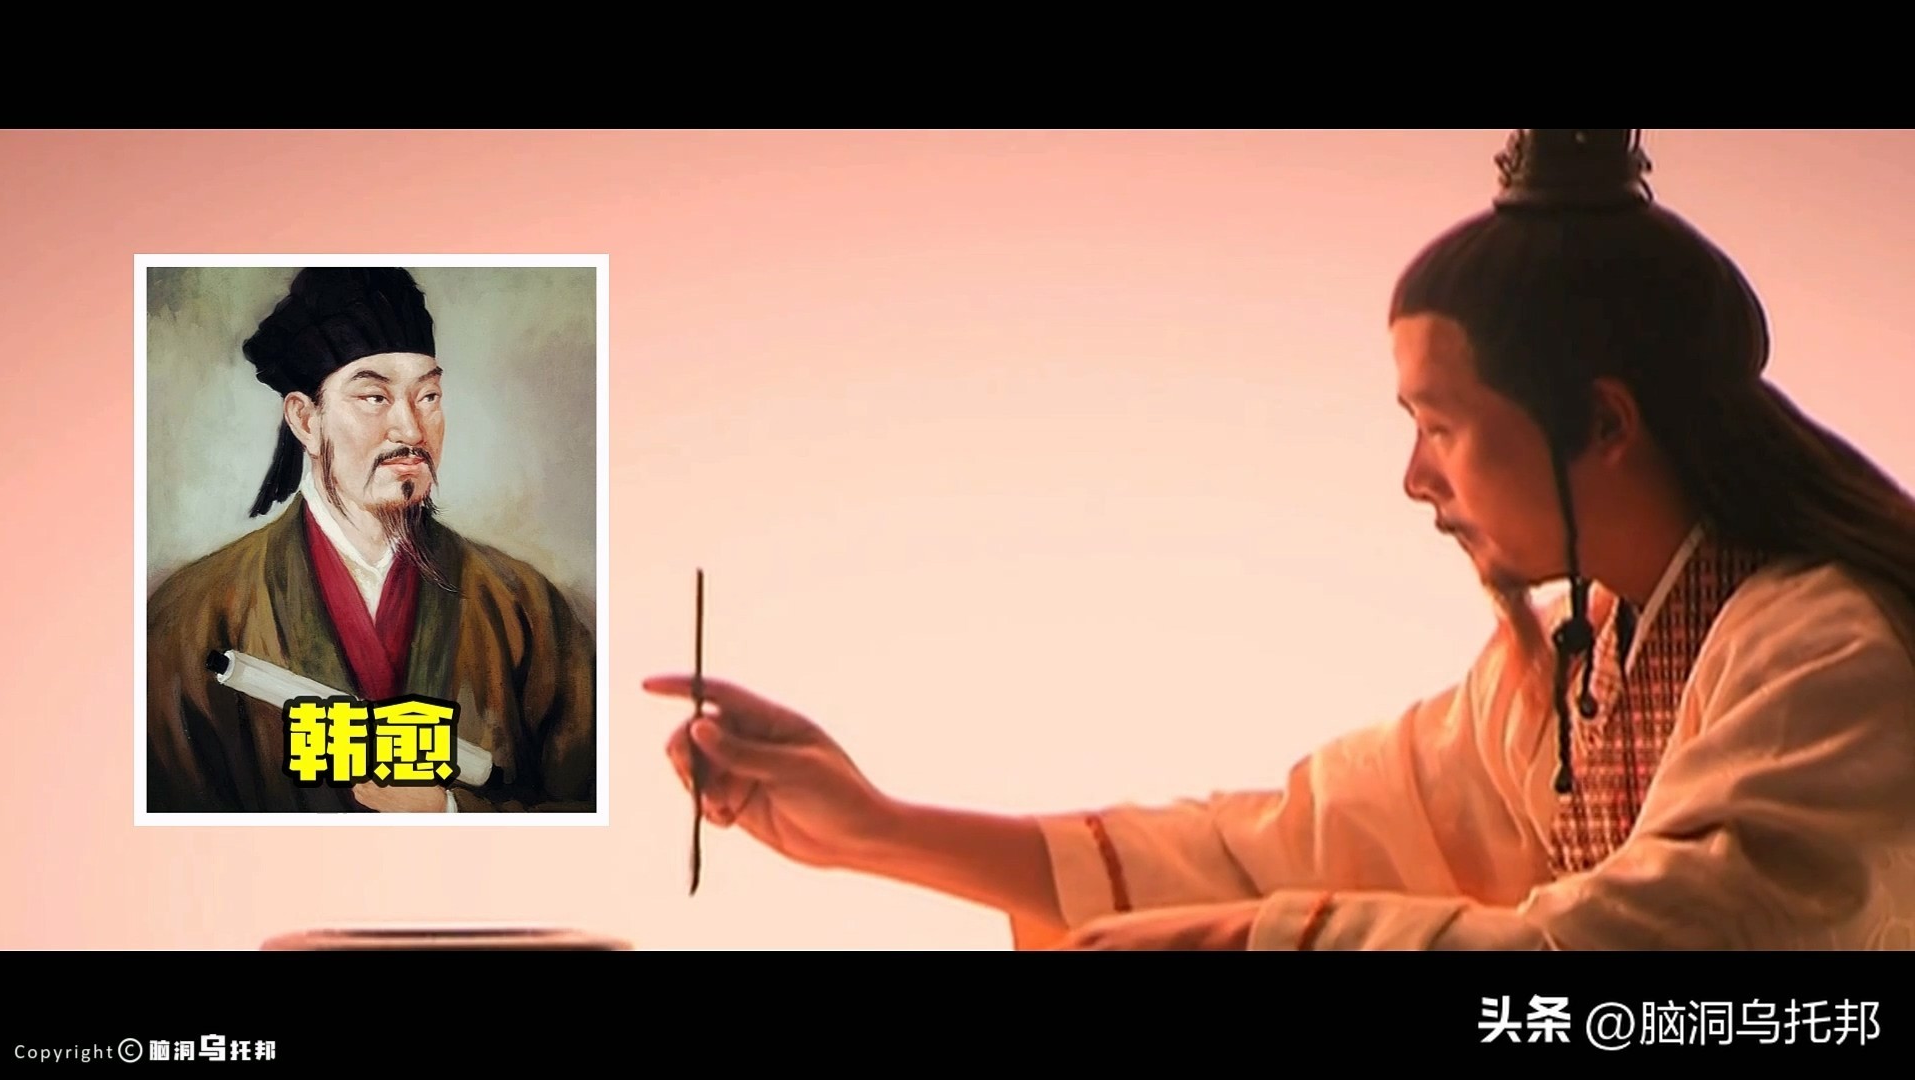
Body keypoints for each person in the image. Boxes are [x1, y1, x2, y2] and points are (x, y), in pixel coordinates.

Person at [646, 129, 1915, 949]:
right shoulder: (1569, 674)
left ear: (1604, 422)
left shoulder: (1824, 659)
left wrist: (1256, 945)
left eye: (1442, 427)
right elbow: (1276, 845)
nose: (1416, 479)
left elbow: (1634, 963)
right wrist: (878, 828)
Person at [146, 267, 597, 813]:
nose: (411, 429)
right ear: (306, 419)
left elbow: (594, 805)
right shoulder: (195, 613)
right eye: (374, 397)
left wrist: (450, 815)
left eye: (428, 396)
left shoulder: (522, 605)